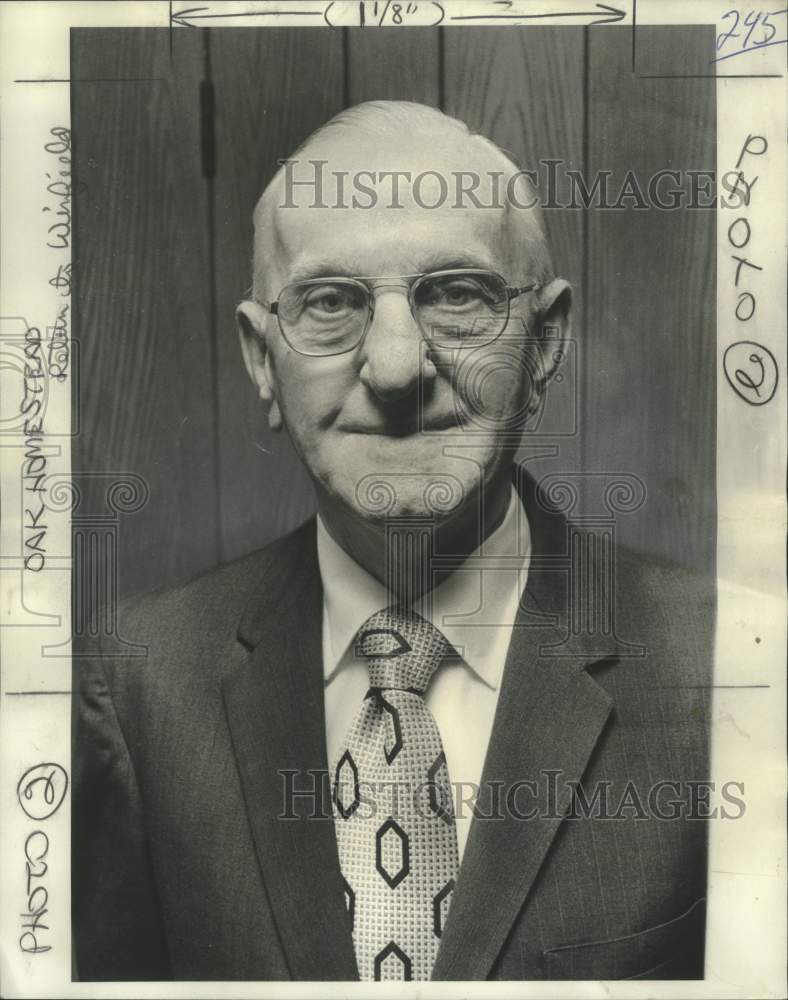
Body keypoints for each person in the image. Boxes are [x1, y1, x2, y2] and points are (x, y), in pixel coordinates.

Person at [73, 101, 713, 982]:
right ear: (262, 360)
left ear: (545, 343)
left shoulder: (729, 666)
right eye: (330, 303)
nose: (397, 366)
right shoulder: (138, 683)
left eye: (456, 295)